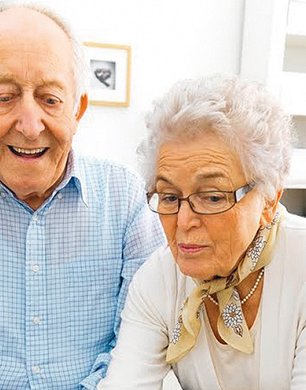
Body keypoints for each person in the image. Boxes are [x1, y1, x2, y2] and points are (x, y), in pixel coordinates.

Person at [0, 1, 164, 389]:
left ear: (77, 110)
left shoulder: (126, 199)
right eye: (5, 97)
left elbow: (140, 337)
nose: (29, 124)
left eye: (50, 99)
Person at [98, 76, 306, 389]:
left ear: (268, 200)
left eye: (211, 196)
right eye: (169, 196)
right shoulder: (158, 278)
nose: (183, 222)